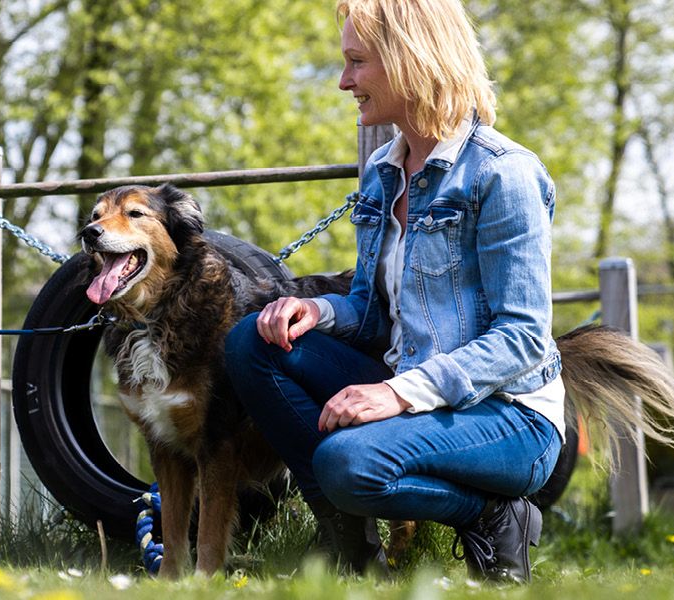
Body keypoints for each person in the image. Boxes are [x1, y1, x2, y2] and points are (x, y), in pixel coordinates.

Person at [225, 0, 563, 583]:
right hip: (413, 386)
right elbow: (374, 313)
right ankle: (351, 545)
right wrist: (317, 311)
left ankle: (492, 514)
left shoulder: (503, 174)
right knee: (249, 343)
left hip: (509, 417)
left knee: (347, 461)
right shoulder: (383, 170)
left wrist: (399, 395)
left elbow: (524, 340)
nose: (344, 81)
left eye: (357, 62)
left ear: (410, 59)